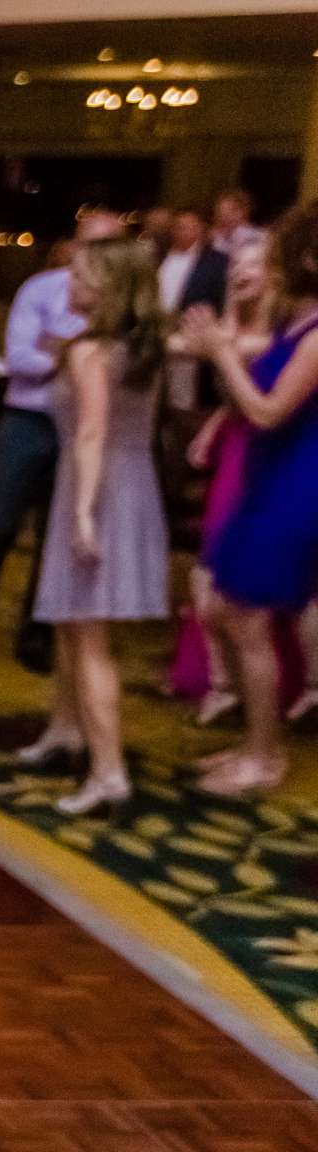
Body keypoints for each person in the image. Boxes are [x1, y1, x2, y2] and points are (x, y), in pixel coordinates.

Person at [0, 212, 129, 671]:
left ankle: (37, 639)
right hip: (28, 422)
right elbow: (21, 358)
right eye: (91, 246)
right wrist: (73, 357)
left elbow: (122, 374)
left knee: (57, 541)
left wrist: (63, 349)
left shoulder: (125, 309)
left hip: (84, 429)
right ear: (75, 245)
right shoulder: (41, 290)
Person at [18, 237, 170, 816]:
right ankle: (66, 730)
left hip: (94, 489)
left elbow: (91, 434)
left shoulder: (92, 352)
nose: (69, 285)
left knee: (89, 639)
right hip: (130, 485)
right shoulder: (144, 348)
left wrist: (82, 513)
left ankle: (109, 773)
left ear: (108, 289)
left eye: (79, 276)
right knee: (67, 621)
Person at [171, 204, 318, 797]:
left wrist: (221, 354)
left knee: (247, 616)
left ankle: (266, 757)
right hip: (270, 479)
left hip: (296, 490)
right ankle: (255, 742)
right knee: (225, 609)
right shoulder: (299, 322)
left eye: (281, 251)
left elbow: (266, 410)